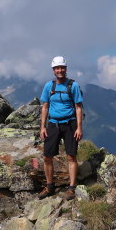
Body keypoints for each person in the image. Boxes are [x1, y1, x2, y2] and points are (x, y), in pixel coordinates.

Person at [38, 56, 83, 200]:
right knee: (47, 157)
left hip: (70, 124)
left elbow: (78, 107)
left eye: (62, 67)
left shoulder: (73, 86)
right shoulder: (48, 86)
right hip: (53, 124)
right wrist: (42, 127)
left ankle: (71, 188)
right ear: (53, 70)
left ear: (66, 69)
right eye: (57, 68)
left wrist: (79, 128)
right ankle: (50, 186)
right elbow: (45, 106)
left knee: (71, 156)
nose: (60, 70)